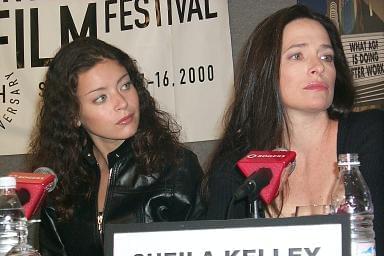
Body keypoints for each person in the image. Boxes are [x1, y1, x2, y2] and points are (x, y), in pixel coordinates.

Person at [203, 4, 383, 254]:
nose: (318, 67)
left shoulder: (372, 137)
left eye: (326, 57)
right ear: (266, 71)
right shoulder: (236, 168)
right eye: (297, 56)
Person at [28, 37, 204, 256]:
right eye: (101, 98)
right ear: (73, 114)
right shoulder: (59, 185)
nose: (122, 102)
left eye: (125, 85)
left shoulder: (177, 168)